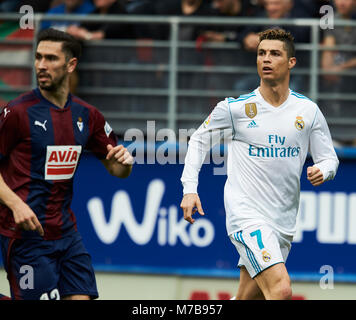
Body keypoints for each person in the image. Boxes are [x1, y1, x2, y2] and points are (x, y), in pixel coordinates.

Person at [180, 28, 339, 300]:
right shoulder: (236, 109)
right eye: (261, 53)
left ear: (291, 62)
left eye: (275, 54)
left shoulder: (307, 111)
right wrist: (189, 189)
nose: (266, 59)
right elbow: (198, 141)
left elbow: (329, 158)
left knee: (247, 297)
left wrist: (323, 170)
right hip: (246, 214)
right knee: (281, 289)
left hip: (283, 222)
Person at [0, 28, 133, 300]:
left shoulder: (88, 116)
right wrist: (15, 204)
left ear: (71, 64)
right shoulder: (17, 112)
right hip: (26, 236)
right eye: (38, 57)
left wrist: (126, 162)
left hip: (67, 234)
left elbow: (117, 171)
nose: (41, 65)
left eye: (50, 58)